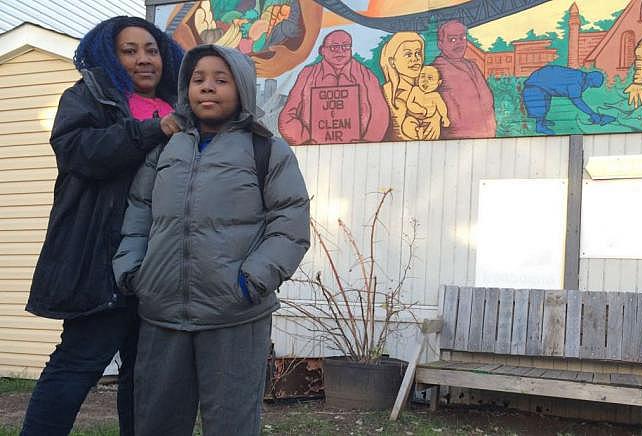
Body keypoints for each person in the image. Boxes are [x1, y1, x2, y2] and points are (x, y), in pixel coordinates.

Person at [112, 44, 310, 435]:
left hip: (234, 315)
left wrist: (251, 281)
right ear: (186, 87)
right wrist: (134, 271)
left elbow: (290, 222)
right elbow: (138, 214)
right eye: (198, 79)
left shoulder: (266, 149)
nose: (208, 88)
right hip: (162, 313)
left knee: (232, 425)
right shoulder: (166, 147)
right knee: (157, 423)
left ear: (242, 90)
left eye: (221, 80)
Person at [20, 16, 183, 436]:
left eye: (151, 50)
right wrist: (152, 130)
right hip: (100, 260)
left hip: (161, 264)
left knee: (144, 376)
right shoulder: (87, 97)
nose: (145, 59)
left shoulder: (179, 106)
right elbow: (80, 152)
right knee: (78, 363)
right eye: (129, 51)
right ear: (106, 57)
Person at [279, 29, 389, 144]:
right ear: (322, 50)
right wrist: (305, 139)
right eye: (334, 47)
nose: (340, 51)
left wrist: (367, 142)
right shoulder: (307, 75)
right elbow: (287, 116)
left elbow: (380, 112)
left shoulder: (366, 75)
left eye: (346, 46)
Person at [431, 20, 496, 139]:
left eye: (463, 38)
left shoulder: (472, 65)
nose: (460, 44)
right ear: (440, 44)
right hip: (456, 140)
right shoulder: (435, 71)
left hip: (487, 135)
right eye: (453, 39)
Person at [522, 65, 615, 135]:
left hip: (543, 85)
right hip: (535, 85)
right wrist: (592, 114)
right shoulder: (576, 82)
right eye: (591, 84)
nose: (589, 87)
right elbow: (577, 100)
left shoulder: (580, 76)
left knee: (546, 104)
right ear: (589, 78)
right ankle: (539, 126)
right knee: (540, 106)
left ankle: (542, 121)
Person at [380, 32, 432, 140]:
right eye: (408, 54)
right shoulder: (385, 93)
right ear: (392, 62)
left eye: (418, 53)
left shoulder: (428, 87)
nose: (415, 59)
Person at [402, 65, 450, 140]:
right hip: (414, 118)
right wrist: (421, 110)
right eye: (422, 76)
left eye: (430, 78)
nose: (425, 81)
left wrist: (444, 117)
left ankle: (421, 135)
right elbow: (409, 103)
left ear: (438, 83)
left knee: (434, 131)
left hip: (429, 121)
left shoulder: (435, 95)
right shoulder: (415, 90)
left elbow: (441, 107)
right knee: (407, 125)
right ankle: (417, 133)